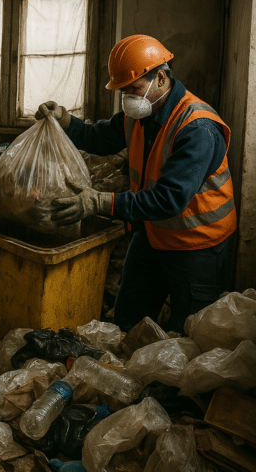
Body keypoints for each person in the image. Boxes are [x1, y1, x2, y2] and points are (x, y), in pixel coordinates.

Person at [36, 34, 236, 334]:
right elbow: (100, 138)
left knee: (191, 334)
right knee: (128, 321)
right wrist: (65, 120)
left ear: (160, 78)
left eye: (133, 88)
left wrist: (100, 202)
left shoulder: (197, 128)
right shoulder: (140, 113)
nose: (128, 97)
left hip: (198, 247)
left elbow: (169, 199)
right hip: (153, 233)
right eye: (123, 91)